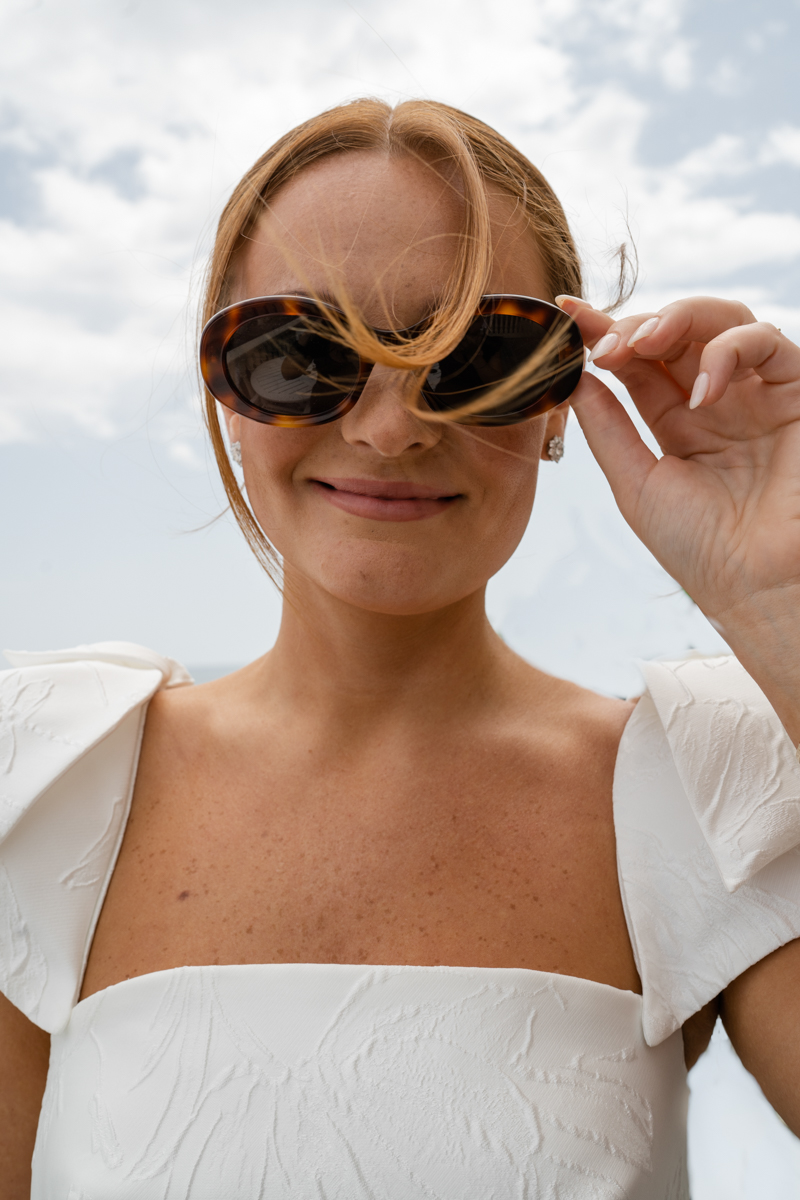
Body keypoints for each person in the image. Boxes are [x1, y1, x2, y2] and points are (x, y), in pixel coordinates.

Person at [2, 96, 799, 1199]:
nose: (388, 428)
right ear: (223, 389)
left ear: (559, 396)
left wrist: (785, 607)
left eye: (475, 355)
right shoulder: (43, 782)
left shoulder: (702, 786)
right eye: (298, 354)